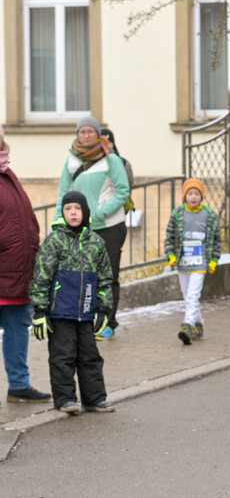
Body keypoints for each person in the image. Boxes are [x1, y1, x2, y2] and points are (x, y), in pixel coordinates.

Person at [30, 190, 115, 415]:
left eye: (77, 208)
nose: (73, 213)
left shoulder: (96, 243)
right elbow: (41, 277)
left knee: (90, 357)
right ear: (63, 213)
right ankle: (65, 399)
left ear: (85, 211)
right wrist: (40, 310)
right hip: (60, 313)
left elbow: (105, 279)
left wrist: (103, 310)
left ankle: (94, 398)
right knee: (63, 357)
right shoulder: (54, 241)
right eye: (68, 209)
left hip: (86, 312)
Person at [54, 116, 129, 340]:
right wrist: (58, 221)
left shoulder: (110, 159)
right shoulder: (71, 161)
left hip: (109, 227)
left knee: (108, 276)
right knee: (84, 276)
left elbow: (122, 191)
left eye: (90, 131)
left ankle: (108, 323)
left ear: (98, 134)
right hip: (81, 230)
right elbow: (63, 194)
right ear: (77, 134)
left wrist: (99, 213)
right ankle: (87, 320)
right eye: (82, 131)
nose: (86, 135)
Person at [0, 126, 51, 405]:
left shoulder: (8, 174)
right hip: (4, 267)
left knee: (18, 328)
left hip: (16, 270)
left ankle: (19, 384)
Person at [164, 178, 222, 344]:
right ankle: (198, 324)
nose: (193, 197)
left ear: (201, 196)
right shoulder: (177, 214)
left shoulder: (210, 216)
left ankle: (187, 324)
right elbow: (169, 237)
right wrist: (171, 255)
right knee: (187, 295)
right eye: (190, 193)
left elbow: (217, 240)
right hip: (183, 262)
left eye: (197, 193)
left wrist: (213, 260)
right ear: (185, 196)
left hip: (200, 262)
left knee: (193, 294)